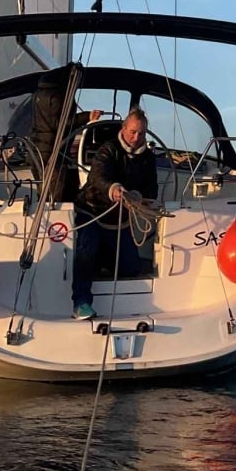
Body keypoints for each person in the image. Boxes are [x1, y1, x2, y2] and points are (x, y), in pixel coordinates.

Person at [72, 106, 157, 319]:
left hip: (119, 221)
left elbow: (151, 189)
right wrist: (114, 189)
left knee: (131, 268)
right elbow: (97, 178)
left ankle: (100, 260)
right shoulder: (107, 149)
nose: (136, 137)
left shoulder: (148, 158)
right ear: (123, 128)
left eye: (141, 133)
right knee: (86, 249)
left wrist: (137, 195)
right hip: (92, 211)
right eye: (132, 132)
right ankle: (81, 302)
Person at [29, 63, 100, 202]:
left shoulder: (40, 92)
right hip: (53, 153)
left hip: (37, 149)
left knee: (43, 195)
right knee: (54, 198)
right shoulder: (57, 95)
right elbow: (59, 124)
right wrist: (87, 117)